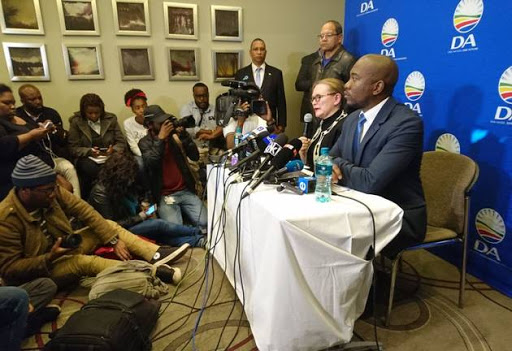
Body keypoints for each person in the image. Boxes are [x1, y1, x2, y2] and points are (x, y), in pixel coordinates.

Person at [0, 155, 189, 289]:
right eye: (47, 191)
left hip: (64, 246)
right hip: (43, 268)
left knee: (109, 225)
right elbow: (10, 269)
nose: (53, 194)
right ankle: (150, 272)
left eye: (53, 188)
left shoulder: (52, 191)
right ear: (25, 190)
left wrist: (113, 240)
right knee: (85, 262)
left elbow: (86, 211)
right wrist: (49, 257)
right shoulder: (6, 218)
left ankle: (155, 254)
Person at [330, 54, 427, 257]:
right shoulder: (352, 119)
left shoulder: (406, 124)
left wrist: (339, 165)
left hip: (395, 216)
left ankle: (359, 287)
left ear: (377, 87)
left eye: (354, 78)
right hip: (356, 206)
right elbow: (328, 159)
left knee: (325, 234)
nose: (346, 85)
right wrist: (336, 163)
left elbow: (369, 182)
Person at [89, 152, 206, 248]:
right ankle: (197, 232)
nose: (132, 179)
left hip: (135, 219)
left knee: (161, 236)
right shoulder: (100, 192)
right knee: (159, 225)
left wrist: (144, 203)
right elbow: (111, 225)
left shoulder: (125, 183)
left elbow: (142, 193)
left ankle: (199, 241)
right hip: (120, 230)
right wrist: (140, 217)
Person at [139, 105, 207, 229]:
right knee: (175, 229)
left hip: (185, 190)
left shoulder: (174, 138)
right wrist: (160, 139)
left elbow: (195, 157)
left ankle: (187, 220)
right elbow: (151, 162)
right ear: (150, 125)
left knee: (205, 222)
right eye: (161, 123)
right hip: (165, 195)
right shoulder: (144, 142)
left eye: (166, 121)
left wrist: (185, 137)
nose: (166, 125)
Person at [0, 84, 72, 200]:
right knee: (62, 192)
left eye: (13, 102)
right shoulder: (12, 119)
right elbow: (4, 146)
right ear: (23, 100)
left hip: (41, 161)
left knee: (68, 185)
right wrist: (31, 135)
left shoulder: (16, 119)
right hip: (18, 172)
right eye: (6, 103)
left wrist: (43, 131)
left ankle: (75, 213)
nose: (12, 106)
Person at [16, 84, 81, 198]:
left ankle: (76, 205)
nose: (38, 102)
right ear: (22, 100)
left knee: (69, 168)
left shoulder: (51, 113)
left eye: (39, 97)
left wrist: (54, 131)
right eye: (32, 99)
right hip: (31, 161)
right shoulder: (18, 116)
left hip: (53, 157)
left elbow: (63, 141)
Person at [68, 93, 127, 199]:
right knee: (91, 169)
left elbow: (121, 142)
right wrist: (89, 151)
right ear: (84, 112)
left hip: (110, 156)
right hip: (87, 158)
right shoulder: (76, 122)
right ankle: (99, 198)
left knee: (122, 166)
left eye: (97, 113)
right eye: (90, 113)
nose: (94, 116)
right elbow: (73, 148)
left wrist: (113, 149)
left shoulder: (111, 119)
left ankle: (117, 199)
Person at [234, 38, 287, 132]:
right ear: (250, 52)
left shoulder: (276, 73)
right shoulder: (241, 73)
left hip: (269, 122)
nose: (259, 52)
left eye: (262, 49)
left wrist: (281, 125)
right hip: (247, 121)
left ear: (265, 52)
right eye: (256, 49)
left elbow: (281, 101)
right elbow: (236, 99)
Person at [309, 20, 357, 119]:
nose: (324, 39)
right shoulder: (316, 62)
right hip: (318, 116)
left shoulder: (348, 61)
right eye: (321, 36)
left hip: (337, 118)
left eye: (328, 35)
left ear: (339, 38)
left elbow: (352, 94)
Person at [298, 78, 347, 169]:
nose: (313, 103)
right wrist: (304, 155)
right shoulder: (320, 124)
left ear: (336, 98)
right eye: (313, 99)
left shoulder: (345, 125)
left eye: (318, 97)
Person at [180, 82, 225, 160]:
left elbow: (222, 127)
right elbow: (189, 129)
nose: (202, 99)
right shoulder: (187, 109)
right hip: (194, 149)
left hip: (213, 148)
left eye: (204, 96)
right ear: (194, 96)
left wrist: (212, 133)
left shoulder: (216, 110)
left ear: (208, 95)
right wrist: (211, 132)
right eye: (198, 96)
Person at [123, 88, 148, 171]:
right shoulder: (128, 123)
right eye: (137, 108)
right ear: (132, 109)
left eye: (144, 106)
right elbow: (133, 146)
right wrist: (145, 156)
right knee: (140, 163)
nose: (142, 110)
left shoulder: (154, 119)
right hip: (140, 154)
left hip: (155, 152)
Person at [295, 50, 321, 119]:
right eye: (321, 38)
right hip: (310, 110)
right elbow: (299, 85)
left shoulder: (344, 59)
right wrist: (317, 83)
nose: (324, 39)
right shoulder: (308, 60)